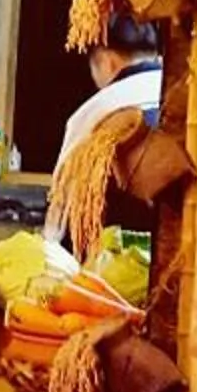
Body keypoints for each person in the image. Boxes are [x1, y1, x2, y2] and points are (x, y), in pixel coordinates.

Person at [47, 16, 164, 249]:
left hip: (113, 252)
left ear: (106, 62)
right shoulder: (184, 98)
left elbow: (60, 215)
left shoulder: (94, 113)